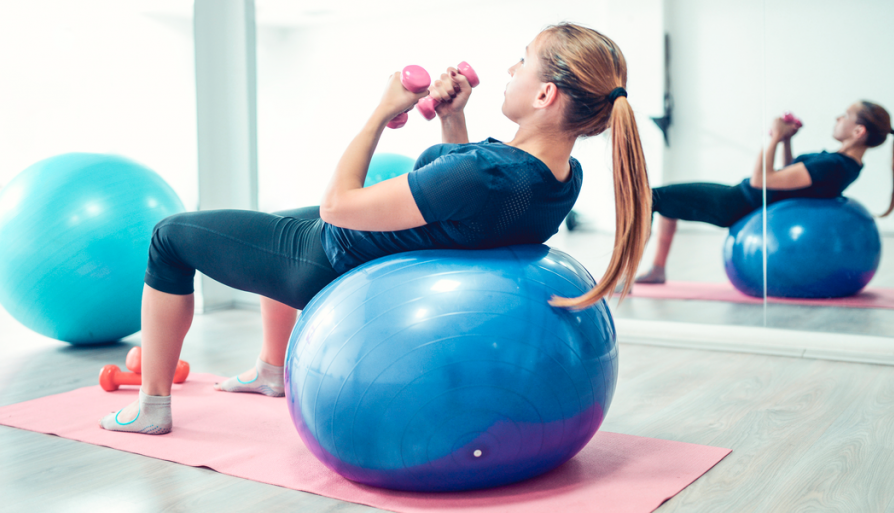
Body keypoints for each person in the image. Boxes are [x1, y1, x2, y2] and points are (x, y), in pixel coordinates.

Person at [98, 23, 652, 435]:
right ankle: (271, 371)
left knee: (169, 237)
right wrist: (453, 117)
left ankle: (151, 407)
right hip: (380, 258)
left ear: (545, 94)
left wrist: (381, 113)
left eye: (523, 61)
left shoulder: (484, 175)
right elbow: (470, 214)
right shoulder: (558, 178)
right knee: (273, 221)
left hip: (331, 259)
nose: (511, 70)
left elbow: (338, 206)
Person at [633, 101, 894, 285]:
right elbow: (792, 177)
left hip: (737, 204)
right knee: (665, 200)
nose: (838, 118)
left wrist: (774, 136)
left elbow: (762, 180)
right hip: (741, 197)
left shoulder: (834, 166)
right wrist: (786, 141)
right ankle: (658, 269)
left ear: (858, 131)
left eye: (845, 115)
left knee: (651, 197)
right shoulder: (845, 165)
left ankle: (633, 272)